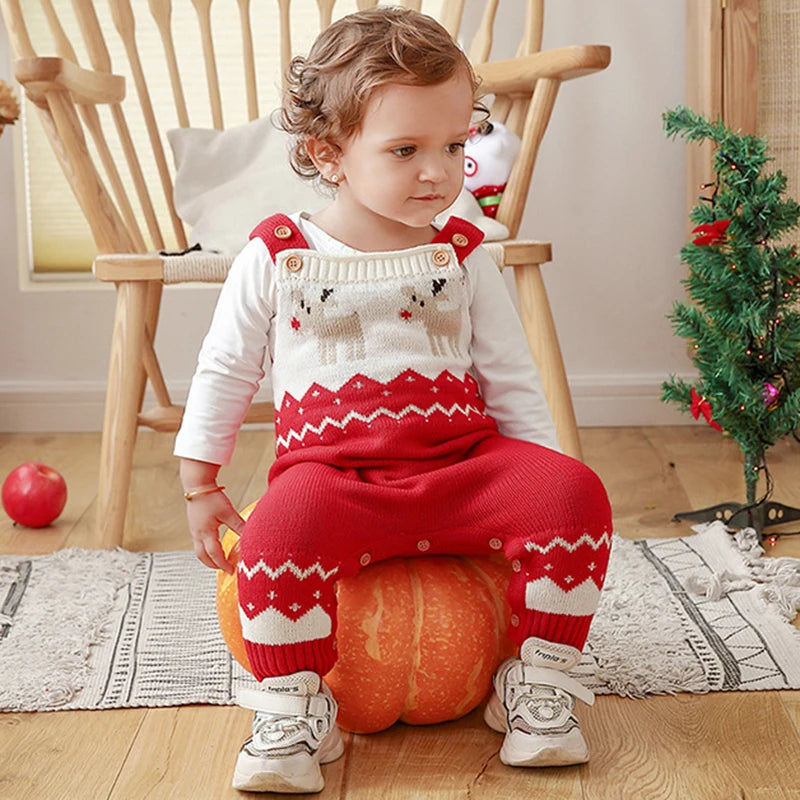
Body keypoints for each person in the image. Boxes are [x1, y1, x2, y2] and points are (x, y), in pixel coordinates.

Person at [175, 6, 612, 794]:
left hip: (461, 468)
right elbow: (224, 370)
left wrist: (541, 478)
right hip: (335, 479)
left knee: (575, 491)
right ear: (328, 154)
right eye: (405, 150)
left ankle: (538, 682)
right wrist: (201, 479)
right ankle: (291, 703)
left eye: (453, 146)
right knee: (271, 541)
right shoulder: (279, 255)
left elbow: (510, 374)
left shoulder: (464, 255)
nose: (437, 172)